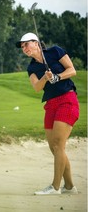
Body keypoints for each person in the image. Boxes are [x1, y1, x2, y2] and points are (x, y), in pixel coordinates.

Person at [15, 32, 80, 195]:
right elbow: (37, 87)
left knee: (58, 144)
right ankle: (70, 187)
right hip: (51, 105)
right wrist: (45, 77)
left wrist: (57, 77)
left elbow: (72, 70)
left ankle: (55, 187)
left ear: (36, 43)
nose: (24, 48)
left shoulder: (55, 51)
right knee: (55, 148)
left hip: (67, 99)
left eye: (26, 44)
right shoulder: (32, 68)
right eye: (22, 47)